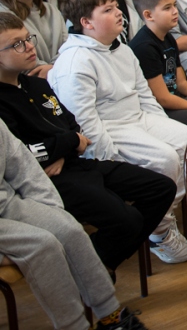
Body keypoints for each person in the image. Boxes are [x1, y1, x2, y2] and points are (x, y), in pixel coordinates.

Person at [0, 12, 176, 279]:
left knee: (161, 188)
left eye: (28, 38)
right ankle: (93, 269)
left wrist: (63, 148)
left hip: (74, 163)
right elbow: (21, 156)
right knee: (127, 221)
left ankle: (94, 263)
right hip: (45, 182)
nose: (29, 47)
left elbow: (73, 125)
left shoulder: (36, 84)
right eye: (16, 44)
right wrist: (68, 143)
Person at [48, 0, 187, 264]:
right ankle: (160, 232)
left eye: (116, 6)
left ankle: (158, 219)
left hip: (139, 119)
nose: (119, 13)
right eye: (107, 10)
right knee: (165, 159)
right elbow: (84, 122)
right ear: (87, 22)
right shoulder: (76, 61)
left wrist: (162, 128)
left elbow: (145, 97)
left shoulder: (122, 49)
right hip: (109, 128)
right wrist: (111, 162)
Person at [0, 119, 150, 330]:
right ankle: (75, 326)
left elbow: (24, 168)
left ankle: (112, 318)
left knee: (69, 230)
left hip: (7, 203)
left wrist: (52, 211)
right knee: (43, 245)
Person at [129, 0, 187, 126]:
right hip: (158, 109)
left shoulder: (168, 37)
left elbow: (181, 83)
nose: (175, 11)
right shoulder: (144, 47)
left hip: (175, 100)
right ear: (148, 15)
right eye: (167, 8)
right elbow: (163, 98)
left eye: (175, 5)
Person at [0, 0, 66, 76]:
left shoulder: (51, 9)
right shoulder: (3, 16)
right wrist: (54, 69)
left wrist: (53, 69)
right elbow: (20, 62)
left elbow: (67, 48)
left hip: (60, 74)